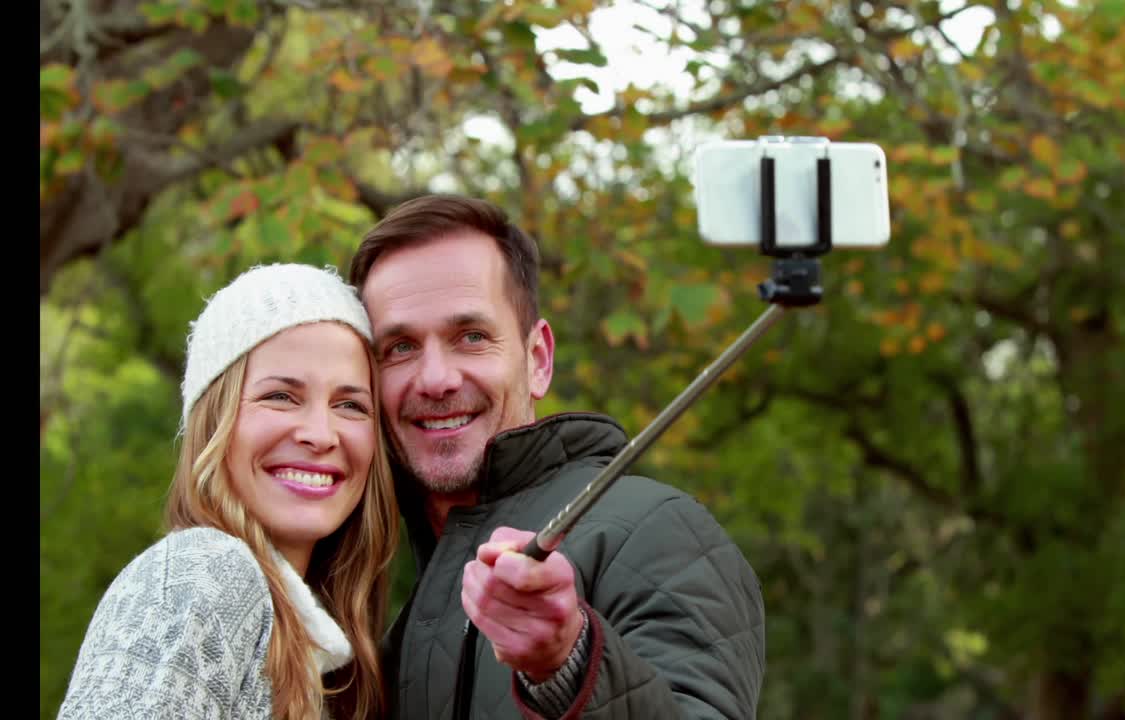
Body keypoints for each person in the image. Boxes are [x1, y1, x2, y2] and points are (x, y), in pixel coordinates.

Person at [350, 194, 767, 719]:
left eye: (471, 337)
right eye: (401, 348)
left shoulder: (658, 530)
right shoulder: (392, 607)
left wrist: (569, 660)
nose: (436, 379)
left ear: (538, 359)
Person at [57, 264, 399, 720]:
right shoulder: (204, 573)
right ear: (214, 421)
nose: (321, 434)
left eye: (350, 405)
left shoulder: (323, 644)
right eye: (280, 396)